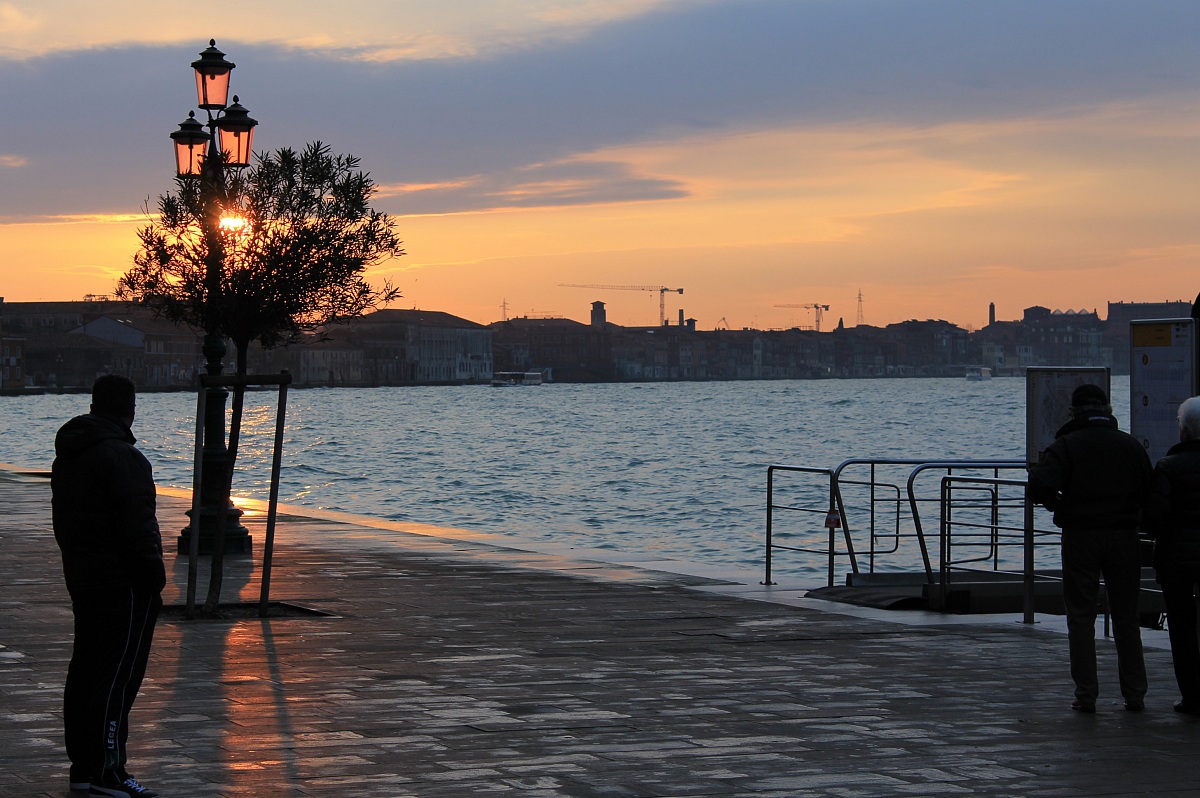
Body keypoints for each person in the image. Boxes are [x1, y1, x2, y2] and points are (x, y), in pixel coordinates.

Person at [52, 375, 164, 798]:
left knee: (85, 673)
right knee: (117, 678)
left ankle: (85, 767)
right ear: (129, 409)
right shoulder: (123, 458)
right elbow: (138, 528)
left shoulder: (70, 455)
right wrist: (153, 579)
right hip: (124, 586)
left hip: (84, 578)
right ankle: (107, 772)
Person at [1028, 383, 1151, 713]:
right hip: (1125, 536)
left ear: (1075, 411)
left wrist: (1060, 506)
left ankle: (1086, 694)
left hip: (1081, 535)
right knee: (1126, 616)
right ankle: (1135, 692)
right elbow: (1149, 490)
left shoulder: (1067, 445)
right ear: (1107, 409)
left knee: (1081, 615)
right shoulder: (1131, 446)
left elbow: (1039, 487)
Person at [1145, 396, 1200, 715]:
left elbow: (1154, 520)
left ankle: (1192, 696)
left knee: (1180, 627)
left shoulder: (1168, 467)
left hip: (1176, 559)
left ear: (1186, 432)